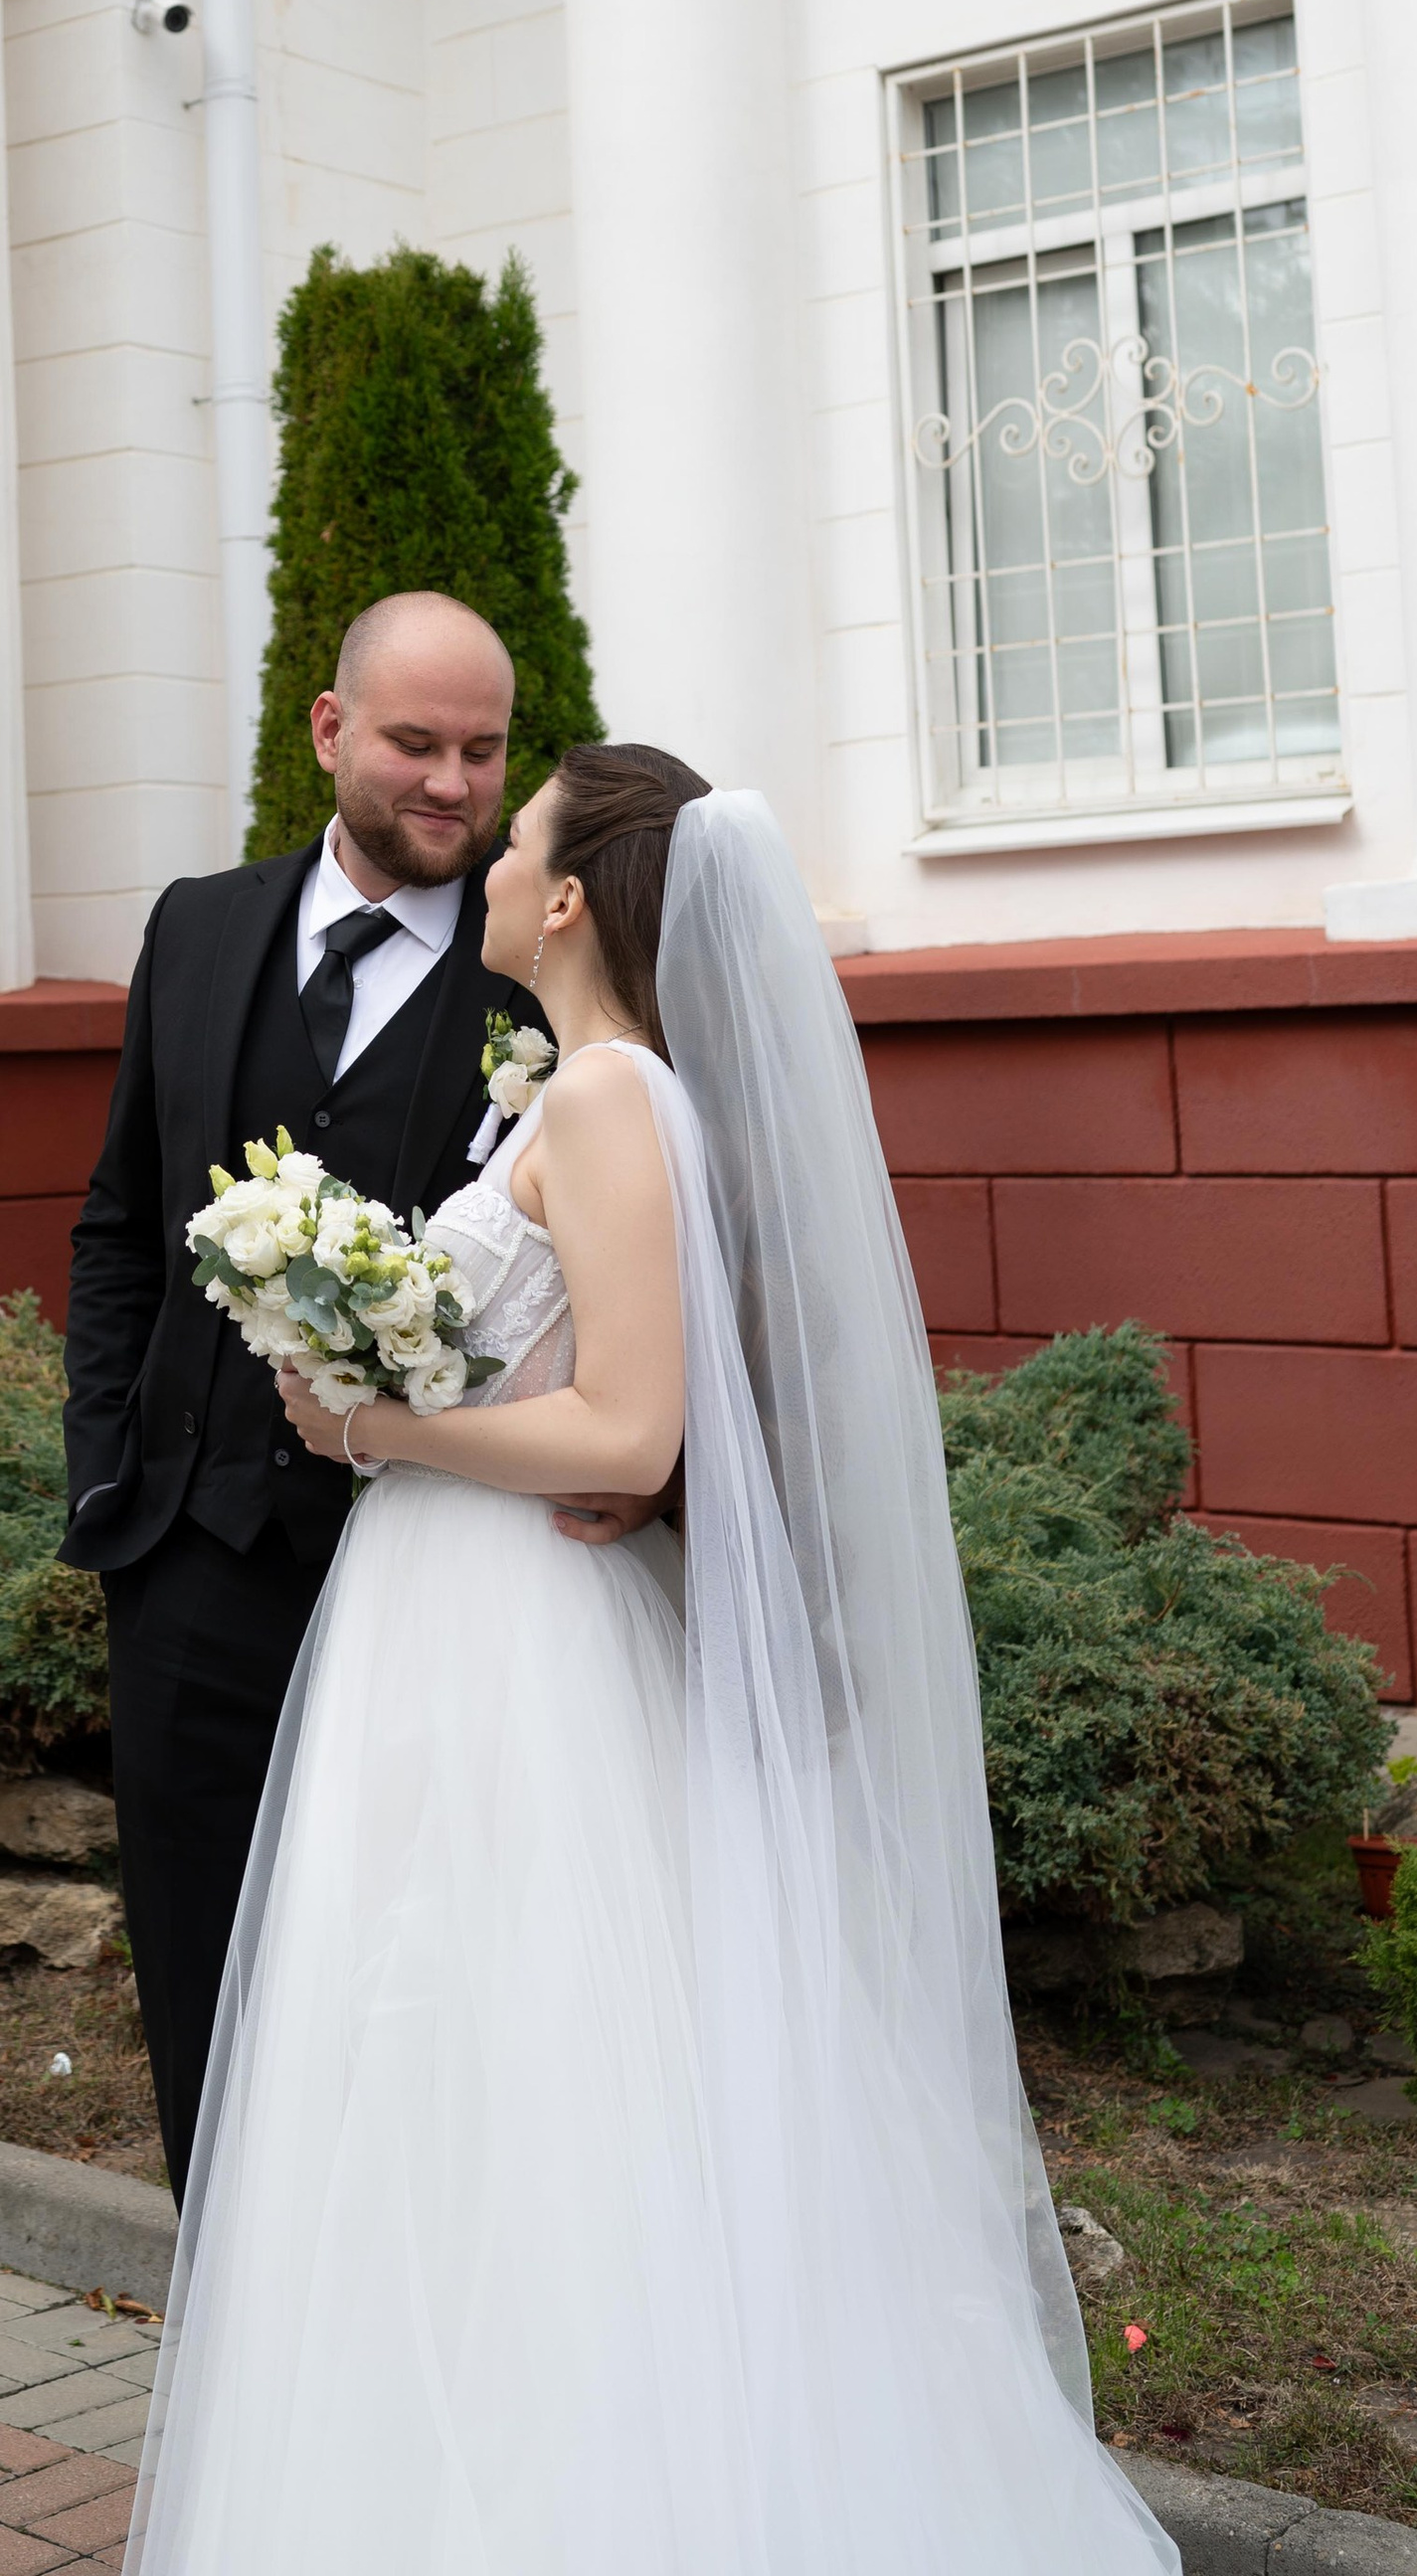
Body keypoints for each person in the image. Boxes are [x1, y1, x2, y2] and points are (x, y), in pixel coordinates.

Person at [124, 744, 1176, 2576]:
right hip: (458, 1622)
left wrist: (373, 1430)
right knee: (451, 2065)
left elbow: (624, 1431)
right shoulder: (578, 1094)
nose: (498, 843)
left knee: (533, 2073)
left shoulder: (610, 1100)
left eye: (520, 828)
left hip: (512, 1629)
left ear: (566, 901)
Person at [62, 592, 594, 2196]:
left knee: (411, 1993)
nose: (452, 784)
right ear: (328, 731)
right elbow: (119, 1229)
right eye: (417, 745)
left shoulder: (550, 987)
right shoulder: (198, 927)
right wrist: (109, 1480)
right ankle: (240, 2364)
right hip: (188, 1573)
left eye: (485, 752)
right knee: (199, 1989)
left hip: (433, 1580)